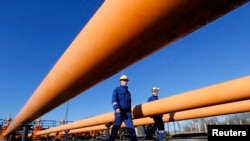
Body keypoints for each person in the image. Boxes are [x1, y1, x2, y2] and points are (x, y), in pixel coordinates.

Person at [108, 74, 138, 141]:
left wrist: (130, 113)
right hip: (119, 112)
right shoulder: (116, 90)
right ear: (120, 81)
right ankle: (111, 139)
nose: (126, 81)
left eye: (126, 80)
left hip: (127, 113)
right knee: (116, 127)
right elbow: (114, 99)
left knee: (131, 128)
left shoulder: (128, 93)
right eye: (124, 80)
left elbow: (129, 103)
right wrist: (116, 108)